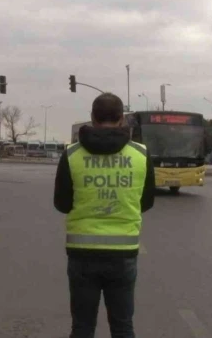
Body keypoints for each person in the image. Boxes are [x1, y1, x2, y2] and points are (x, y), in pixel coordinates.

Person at [54, 92, 155, 338]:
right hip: (123, 255)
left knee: (82, 327)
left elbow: (62, 203)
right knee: (122, 327)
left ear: (92, 117)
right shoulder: (141, 155)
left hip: (82, 255)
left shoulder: (71, 155)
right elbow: (147, 201)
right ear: (122, 119)